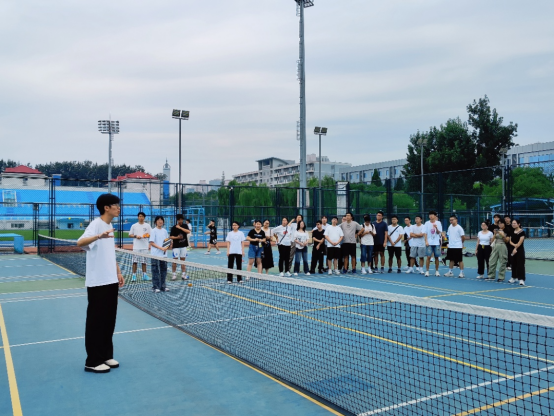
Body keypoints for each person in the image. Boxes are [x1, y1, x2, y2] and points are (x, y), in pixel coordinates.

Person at [77, 194, 125, 374]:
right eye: (116, 205)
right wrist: (98, 236)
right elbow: (80, 242)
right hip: (98, 282)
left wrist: (118, 272)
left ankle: (105, 355)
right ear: (106, 207)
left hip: (111, 280)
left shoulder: (109, 226)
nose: (119, 208)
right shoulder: (96, 224)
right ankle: (92, 361)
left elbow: (109, 253)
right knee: (96, 322)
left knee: (109, 320)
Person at [149, 216, 172, 292]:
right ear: (156, 222)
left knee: (163, 271)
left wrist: (167, 247)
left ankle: (163, 286)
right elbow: (151, 242)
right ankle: (155, 287)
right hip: (155, 255)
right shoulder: (153, 231)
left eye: (161, 220)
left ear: (163, 222)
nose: (160, 221)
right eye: (158, 220)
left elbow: (167, 241)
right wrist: (161, 248)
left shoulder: (165, 231)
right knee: (155, 271)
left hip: (164, 255)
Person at [128, 212, 151, 282]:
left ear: (144, 218)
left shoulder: (147, 226)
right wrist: (136, 236)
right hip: (136, 247)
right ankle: (134, 276)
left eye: (142, 216)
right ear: (138, 217)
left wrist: (147, 235)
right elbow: (130, 235)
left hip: (144, 247)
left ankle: (144, 275)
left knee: (144, 262)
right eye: (140, 216)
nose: (141, 218)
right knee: (135, 262)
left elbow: (150, 234)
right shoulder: (134, 226)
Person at [170, 214, 190, 281]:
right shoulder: (174, 227)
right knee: (175, 260)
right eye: (179, 219)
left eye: (181, 219)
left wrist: (180, 228)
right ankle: (174, 274)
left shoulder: (185, 226)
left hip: (183, 246)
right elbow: (171, 236)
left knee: (183, 260)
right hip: (176, 246)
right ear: (177, 220)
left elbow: (188, 231)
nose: (180, 221)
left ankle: (183, 274)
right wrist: (177, 237)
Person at [424, 210, 443, 277]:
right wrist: (426, 241)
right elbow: (425, 233)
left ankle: (437, 271)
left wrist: (436, 228)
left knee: (436, 257)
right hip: (429, 243)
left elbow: (439, 232)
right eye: (430, 215)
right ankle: (427, 271)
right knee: (428, 257)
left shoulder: (438, 223)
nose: (431, 216)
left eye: (432, 215)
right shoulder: (427, 223)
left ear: (435, 216)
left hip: (436, 243)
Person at [508, 219, 526, 286]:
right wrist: (514, 246)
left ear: (518, 224)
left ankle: (521, 279)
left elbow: (520, 242)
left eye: (515, 223)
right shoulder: (511, 231)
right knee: (513, 264)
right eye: (512, 223)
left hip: (519, 250)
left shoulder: (522, 232)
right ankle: (513, 277)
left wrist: (516, 248)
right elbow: (510, 241)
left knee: (520, 264)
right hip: (512, 249)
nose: (513, 224)